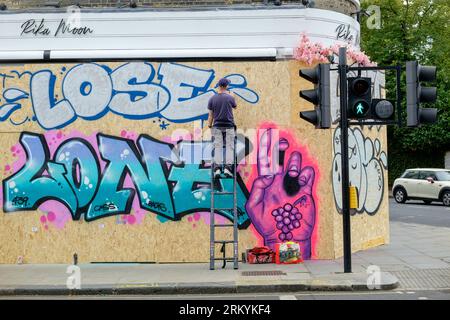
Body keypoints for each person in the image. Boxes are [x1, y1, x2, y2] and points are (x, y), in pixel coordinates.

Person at [207, 78, 237, 179]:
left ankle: (217, 169)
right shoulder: (230, 98)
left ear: (219, 86)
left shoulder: (212, 98)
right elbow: (235, 106)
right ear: (226, 86)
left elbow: (210, 115)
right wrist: (233, 96)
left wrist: (210, 126)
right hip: (229, 126)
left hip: (217, 126)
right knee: (229, 147)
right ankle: (228, 169)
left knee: (218, 148)